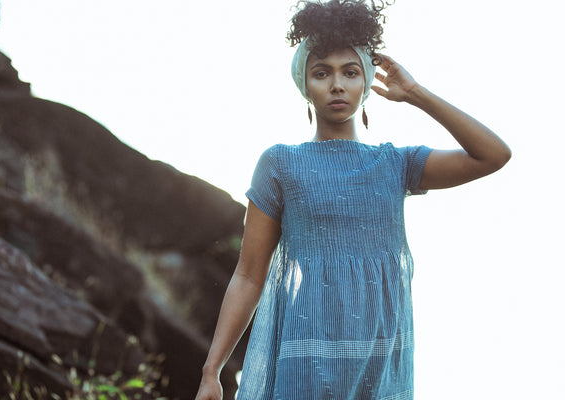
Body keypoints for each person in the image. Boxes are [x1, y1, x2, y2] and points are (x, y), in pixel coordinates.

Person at [195, 0, 511, 399]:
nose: (338, 85)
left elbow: (493, 155)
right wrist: (212, 371)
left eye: (351, 72)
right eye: (322, 73)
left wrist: (415, 93)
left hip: (379, 365)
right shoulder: (280, 164)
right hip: (305, 361)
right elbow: (248, 274)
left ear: (366, 84)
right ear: (304, 85)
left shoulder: (396, 164)